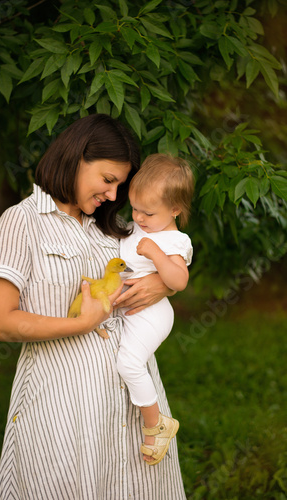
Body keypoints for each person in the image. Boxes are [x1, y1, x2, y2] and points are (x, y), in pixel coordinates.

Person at [0, 114, 187, 499]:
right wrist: (82, 323)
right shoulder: (22, 222)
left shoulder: (115, 227)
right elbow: (1, 323)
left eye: (120, 186)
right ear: (76, 158)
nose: (113, 195)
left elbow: (171, 254)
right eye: (108, 180)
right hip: (64, 408)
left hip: (130, 412)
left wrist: (162, 283)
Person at [118, 154, 194, 465]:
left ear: (175, 210)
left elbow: (179, 280)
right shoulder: (142, 225)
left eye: (147, 212)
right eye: (134, 208)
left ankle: (156, 425)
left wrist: (157, 254)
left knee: (129, 363)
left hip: (152, 315)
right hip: (132, 311)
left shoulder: (174, 240)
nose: (138, 217)